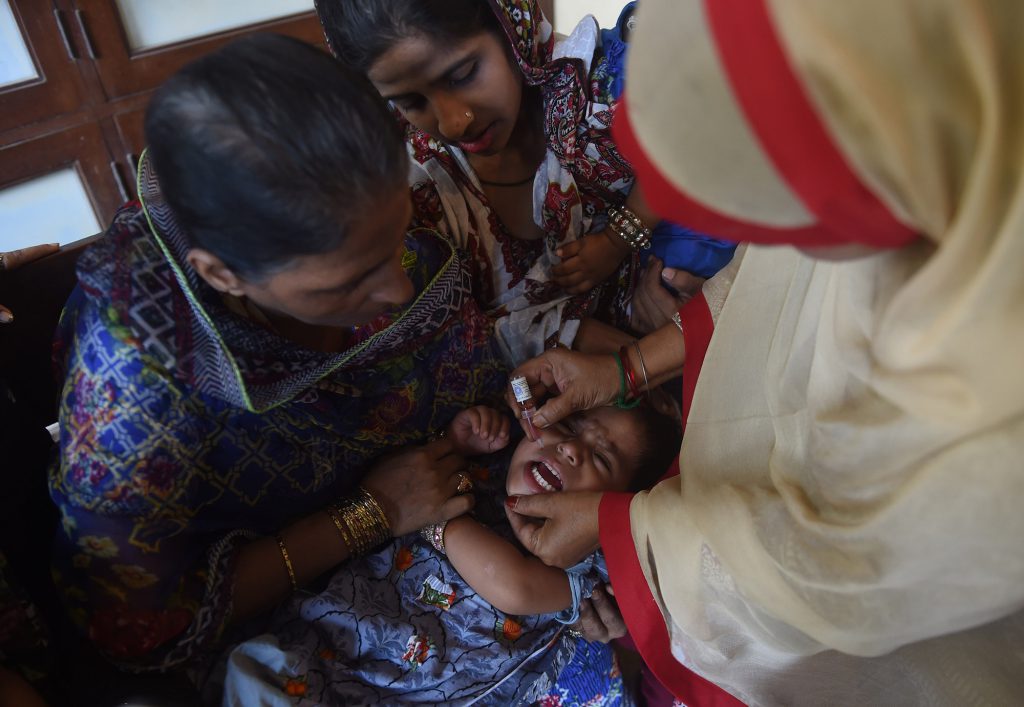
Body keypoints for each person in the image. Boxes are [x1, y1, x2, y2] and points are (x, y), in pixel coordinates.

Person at [503, 0, 1024, 705]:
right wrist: (624, 367)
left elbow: (840, 577)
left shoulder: (994, 400)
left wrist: (622, 535)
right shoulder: (897, 124)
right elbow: (772, 292)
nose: (749, 240)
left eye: (766, 210)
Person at [47, 34, 509, 674]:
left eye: (398, 233)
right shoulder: (136, 392)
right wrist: (371, 514)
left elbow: (465, 362)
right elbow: (138, 623)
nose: (399, 287)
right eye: (348, 281)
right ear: (223, 274)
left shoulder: (365, 233)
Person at [315, 0, 735, 364]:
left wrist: (622, 239)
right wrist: (621, 351)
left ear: (511, 27)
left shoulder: (605, 90)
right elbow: (442, 345)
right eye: (411, 102)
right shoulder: (409, 195)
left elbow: (689, 144)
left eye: (463, 74)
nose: (453, 120)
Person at [217, 396, 682, 705]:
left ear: (613, 513)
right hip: (334, 631)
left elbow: (513, 587)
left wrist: (440, 521)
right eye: (570, 426)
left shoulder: (576, 567)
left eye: (601, 459)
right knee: (265, 672)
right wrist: (457, 442)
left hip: (398, 685)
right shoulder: (489, 474)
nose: (571, 450)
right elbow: (420, 473)